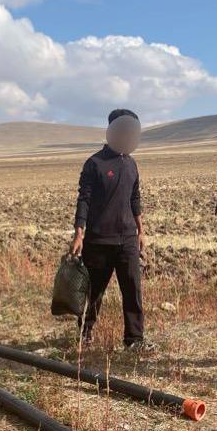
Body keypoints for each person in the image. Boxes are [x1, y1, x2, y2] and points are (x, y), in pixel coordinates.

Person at [70, 109, 153, 352]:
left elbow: (134, 198)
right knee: (94, 292)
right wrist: (79, 233)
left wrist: (141, 231)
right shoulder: (94, 163)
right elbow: (83, 199)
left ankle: (134, 340)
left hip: (127, 238)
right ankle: (84, 333)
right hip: (99, 239)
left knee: (133, 291)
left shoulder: (132, 163)